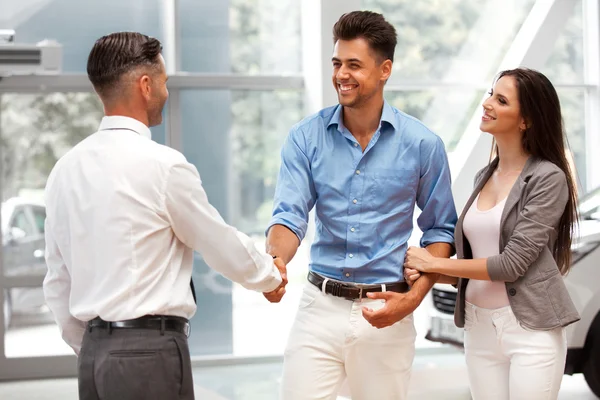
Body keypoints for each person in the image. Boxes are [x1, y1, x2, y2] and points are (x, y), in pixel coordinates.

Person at [42, 32, 287, 400]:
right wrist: (269, 276)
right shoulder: (163, 166)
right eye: (164, 82)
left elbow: (57, 280)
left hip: (93, 356)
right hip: (148, 355)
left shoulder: (65, 169)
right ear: (145, 85)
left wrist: (94, 348)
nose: (166, 92)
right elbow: (216, 240)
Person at [265, 11, 457, 400]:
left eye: (354, 65)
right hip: (318, 307)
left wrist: (411, 301)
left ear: (385, 69)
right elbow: (289, 215)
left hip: (387, 308)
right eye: (337, 63)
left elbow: (441, 229)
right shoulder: (306, 137)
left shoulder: (422, 145)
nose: (341, 74)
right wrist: (275, 262)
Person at [404, 67, 581, 399]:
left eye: (501, 100)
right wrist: (423, 271)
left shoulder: (547, 178)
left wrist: (433, 264)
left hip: (529, 331)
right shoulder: (484, 176)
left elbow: (510, 265)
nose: (487, 104)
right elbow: (475, 268)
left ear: (525, 120)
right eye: (490, 94)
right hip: (477, 326)